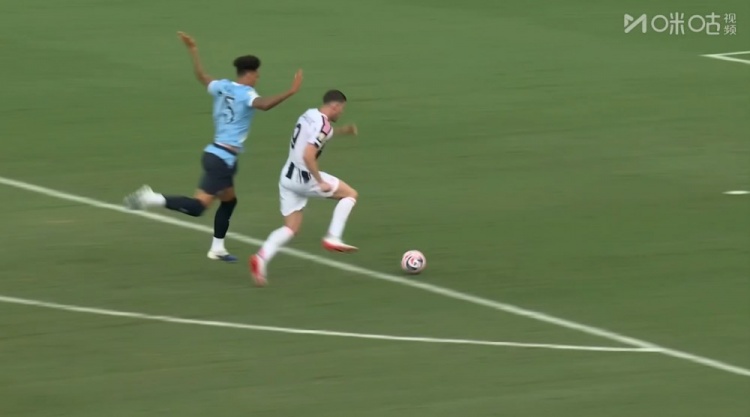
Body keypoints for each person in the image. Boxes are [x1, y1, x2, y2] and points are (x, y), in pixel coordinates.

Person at [124, 31, 303, 262]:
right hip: (222, 160)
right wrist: (291, 91)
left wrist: (193, 49)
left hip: (216, 154)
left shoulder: (222, 86)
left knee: (229, 201)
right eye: (257, 74)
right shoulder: (247, 94)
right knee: (199, 206)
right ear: (249, 74)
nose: (258, 78)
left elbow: (202, 76)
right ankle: (151, 198)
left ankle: (217, 248)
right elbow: (265, 104)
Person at [249, 90, 359, 286]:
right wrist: (320, 180)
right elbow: (309, 154)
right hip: (305, 178)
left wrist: (343, 131)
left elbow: (318, 135)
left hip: (287, 177)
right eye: (341, 109)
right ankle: (333, 237)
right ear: (334, 106)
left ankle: (261, 258)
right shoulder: (324, 125)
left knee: (291, 228)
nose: (341, 112)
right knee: (350, 194)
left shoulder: (309, 114)